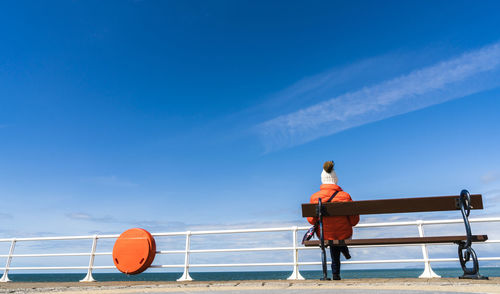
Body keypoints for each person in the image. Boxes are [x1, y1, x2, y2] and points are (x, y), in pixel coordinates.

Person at [307, 160, 359, 280]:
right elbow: (354, 221)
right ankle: (342, 255)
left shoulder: (315, 197)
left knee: (331, 237)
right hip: (344, 234)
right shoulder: (345, 196)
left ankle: (335, 272)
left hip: (325, 234)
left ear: (322, 180)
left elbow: (311, 221)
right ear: (335, 179)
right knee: (338, 239)